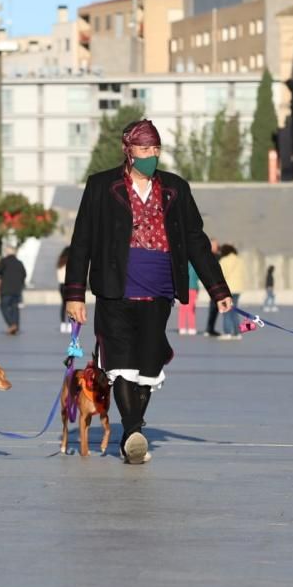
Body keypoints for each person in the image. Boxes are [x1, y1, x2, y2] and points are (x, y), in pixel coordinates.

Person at [64, 119, 231, 464]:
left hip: (159, 292)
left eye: (155, 149)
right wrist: (75, 294)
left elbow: (196, 241)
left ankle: (133, 430)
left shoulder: (175, 188)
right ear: (128, 151)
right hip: (115, 290)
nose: (150, 155)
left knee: (147, 366)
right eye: (143, 149)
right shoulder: (101, 186)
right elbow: (82, 240)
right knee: (122, 364)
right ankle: (133, 430)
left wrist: (218, 289)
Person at [0, 245, 26, 335]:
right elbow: (24, 274)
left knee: (4, 306)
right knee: (15, 307)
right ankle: (16, 325)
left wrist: (0, 275)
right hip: (17, 289)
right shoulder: (19, 263)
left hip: (6, 289)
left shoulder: (4, 261)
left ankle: (11, 324)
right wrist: (20, 284)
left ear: (7, 252)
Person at [218, 245, 245, 339]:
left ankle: (227, 332)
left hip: (228, 289)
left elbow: (221, 274)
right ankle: (237, 333)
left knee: (226, 310)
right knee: (234, 310)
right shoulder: (240, 260)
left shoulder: (224, 260)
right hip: (238, 288)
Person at [204, 238, 222, 337]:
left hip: (220, 285)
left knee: (216, 308)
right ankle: (209, 328)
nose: (216, 246)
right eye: (214, 245)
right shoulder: (208, 255)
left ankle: (211, 328)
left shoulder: (219, 256)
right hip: (213, 285)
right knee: (213, 307)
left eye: (216, 245)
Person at [177, 262, 199, 335]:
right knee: (191, 309)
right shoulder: (195, 264)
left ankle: (182, 327)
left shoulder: (181, 264)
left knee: (182, 308)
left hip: (183, 287)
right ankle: (191, 328)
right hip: (193, 287)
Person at [55, 247, 69, 331]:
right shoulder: (70, 262)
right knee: (70, 304)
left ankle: (63, 324)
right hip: (68, 285)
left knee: (63, 305)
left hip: (61, 285)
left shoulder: (60, 263)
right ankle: (70, 325)